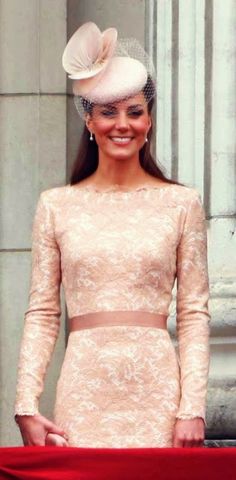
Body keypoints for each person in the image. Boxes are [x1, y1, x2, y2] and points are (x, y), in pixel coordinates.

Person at [14, 22, 211, 448]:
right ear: (89, 118)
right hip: (83, 391)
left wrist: (192, 407)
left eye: (135, 111)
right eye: (109, 111)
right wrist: (26, 404)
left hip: (159, 395)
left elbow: (194, 312)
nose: (123, 125)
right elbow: (44, 312)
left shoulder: (182, 203)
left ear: (149, 119)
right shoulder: (56, 205)